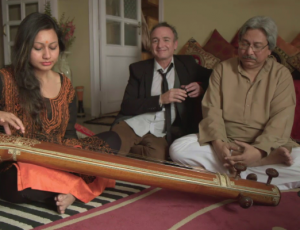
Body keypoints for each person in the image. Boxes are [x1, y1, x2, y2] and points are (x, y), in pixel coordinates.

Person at [0, 12, 121, 214]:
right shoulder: (5, 78)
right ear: (24, 48)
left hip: (58, 159)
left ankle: (62, 187)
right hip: (19, 165)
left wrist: (74, 158)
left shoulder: (65, 86)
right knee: (14, 180)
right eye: (38, 48)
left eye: (53, 47)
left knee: (112, 141)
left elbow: (69, 136)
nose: (47, 55)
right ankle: (76, 188)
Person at [170, 16, 300, 190]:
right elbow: (212, 111)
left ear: (269, 49)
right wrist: (219, 145)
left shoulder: (281, 75)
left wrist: (259, 151)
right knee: (178, 148)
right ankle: (257, 172)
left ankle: (230, 174)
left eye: (257, 46)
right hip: (228, 142)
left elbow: (281, 118)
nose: (249, 51)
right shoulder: (222, 69)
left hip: (269, 145)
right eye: (245, 44)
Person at [111, 22, 212, 160]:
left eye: (166, 40)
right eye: (155, 40)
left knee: (157, 158)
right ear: (150, 45)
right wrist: (160, 99)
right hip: (135, 122)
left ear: (175, 44)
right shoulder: (138, 69)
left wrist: (202, 88)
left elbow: (214, 77)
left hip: (161, 130)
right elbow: (127, 105)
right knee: (114, 145)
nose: (160, 45)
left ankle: (126, 150)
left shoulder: (187, 64)